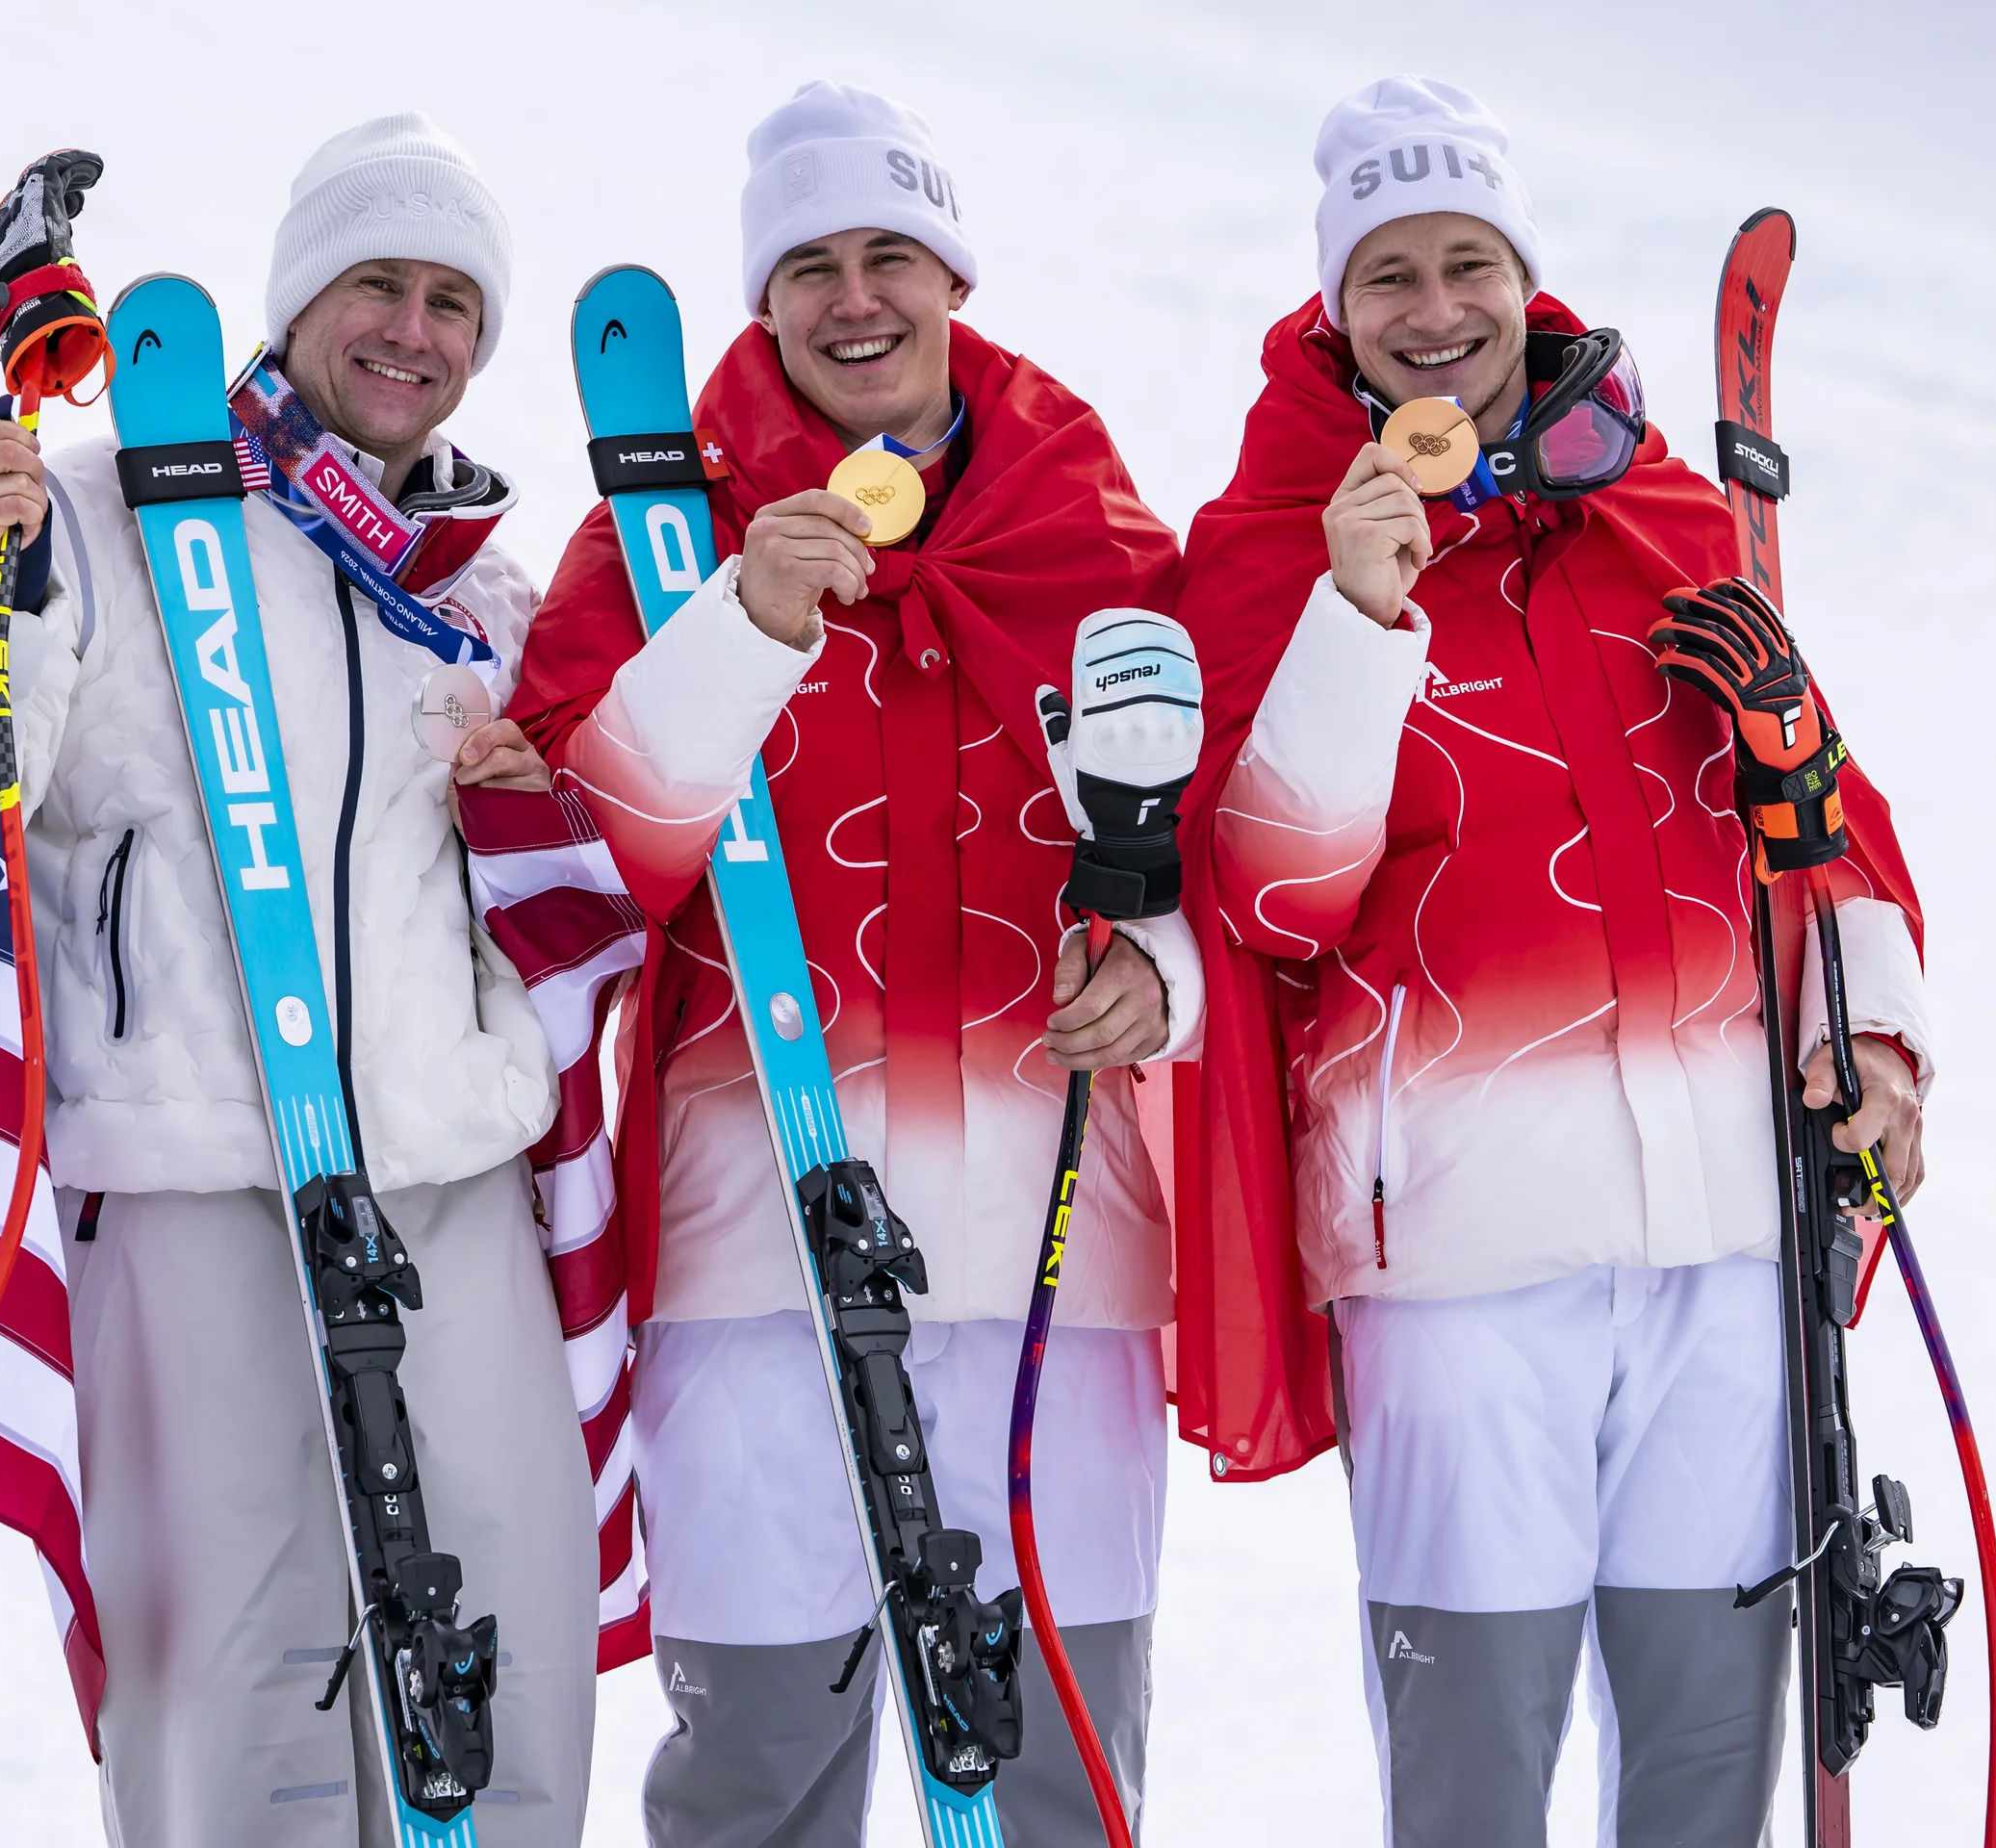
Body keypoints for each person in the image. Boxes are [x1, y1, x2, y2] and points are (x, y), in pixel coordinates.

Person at [1171, 76, 1936, 1846]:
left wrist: (1875, 1047)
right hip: (1456, 1257)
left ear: (1530, 282)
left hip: (1725, 1246)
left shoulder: (1665, 516)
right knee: (1477, 1764)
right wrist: (1357, 623)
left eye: (1470, 266)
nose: (1437, 316)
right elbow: (1273, 901)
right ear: (1334, 315)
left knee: (1702, 1754)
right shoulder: (1277, 546)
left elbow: (1830, 830)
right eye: (1389, 280)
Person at [511, 80, 1195, 1848]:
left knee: (1056, 1774)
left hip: (1057, 1251)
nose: (854, 297)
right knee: (756, 1778)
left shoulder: (1088, 529)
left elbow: (1219, 846)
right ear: (765, 306)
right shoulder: (663, 523)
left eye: (892, 252)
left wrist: (1166, 970)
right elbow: (584, 858)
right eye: (808, 266)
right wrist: (740, 625)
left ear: (954, 280)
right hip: (752, 1252)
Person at [0, 115, 596, 1848]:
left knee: (510, 1651)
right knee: (236, 1685)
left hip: (446, 1168)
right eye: (376, 282)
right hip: (190, 1168)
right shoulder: (101, 511)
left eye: (454, 299)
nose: (413, 329)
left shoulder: (482, 598)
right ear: (300, 298)